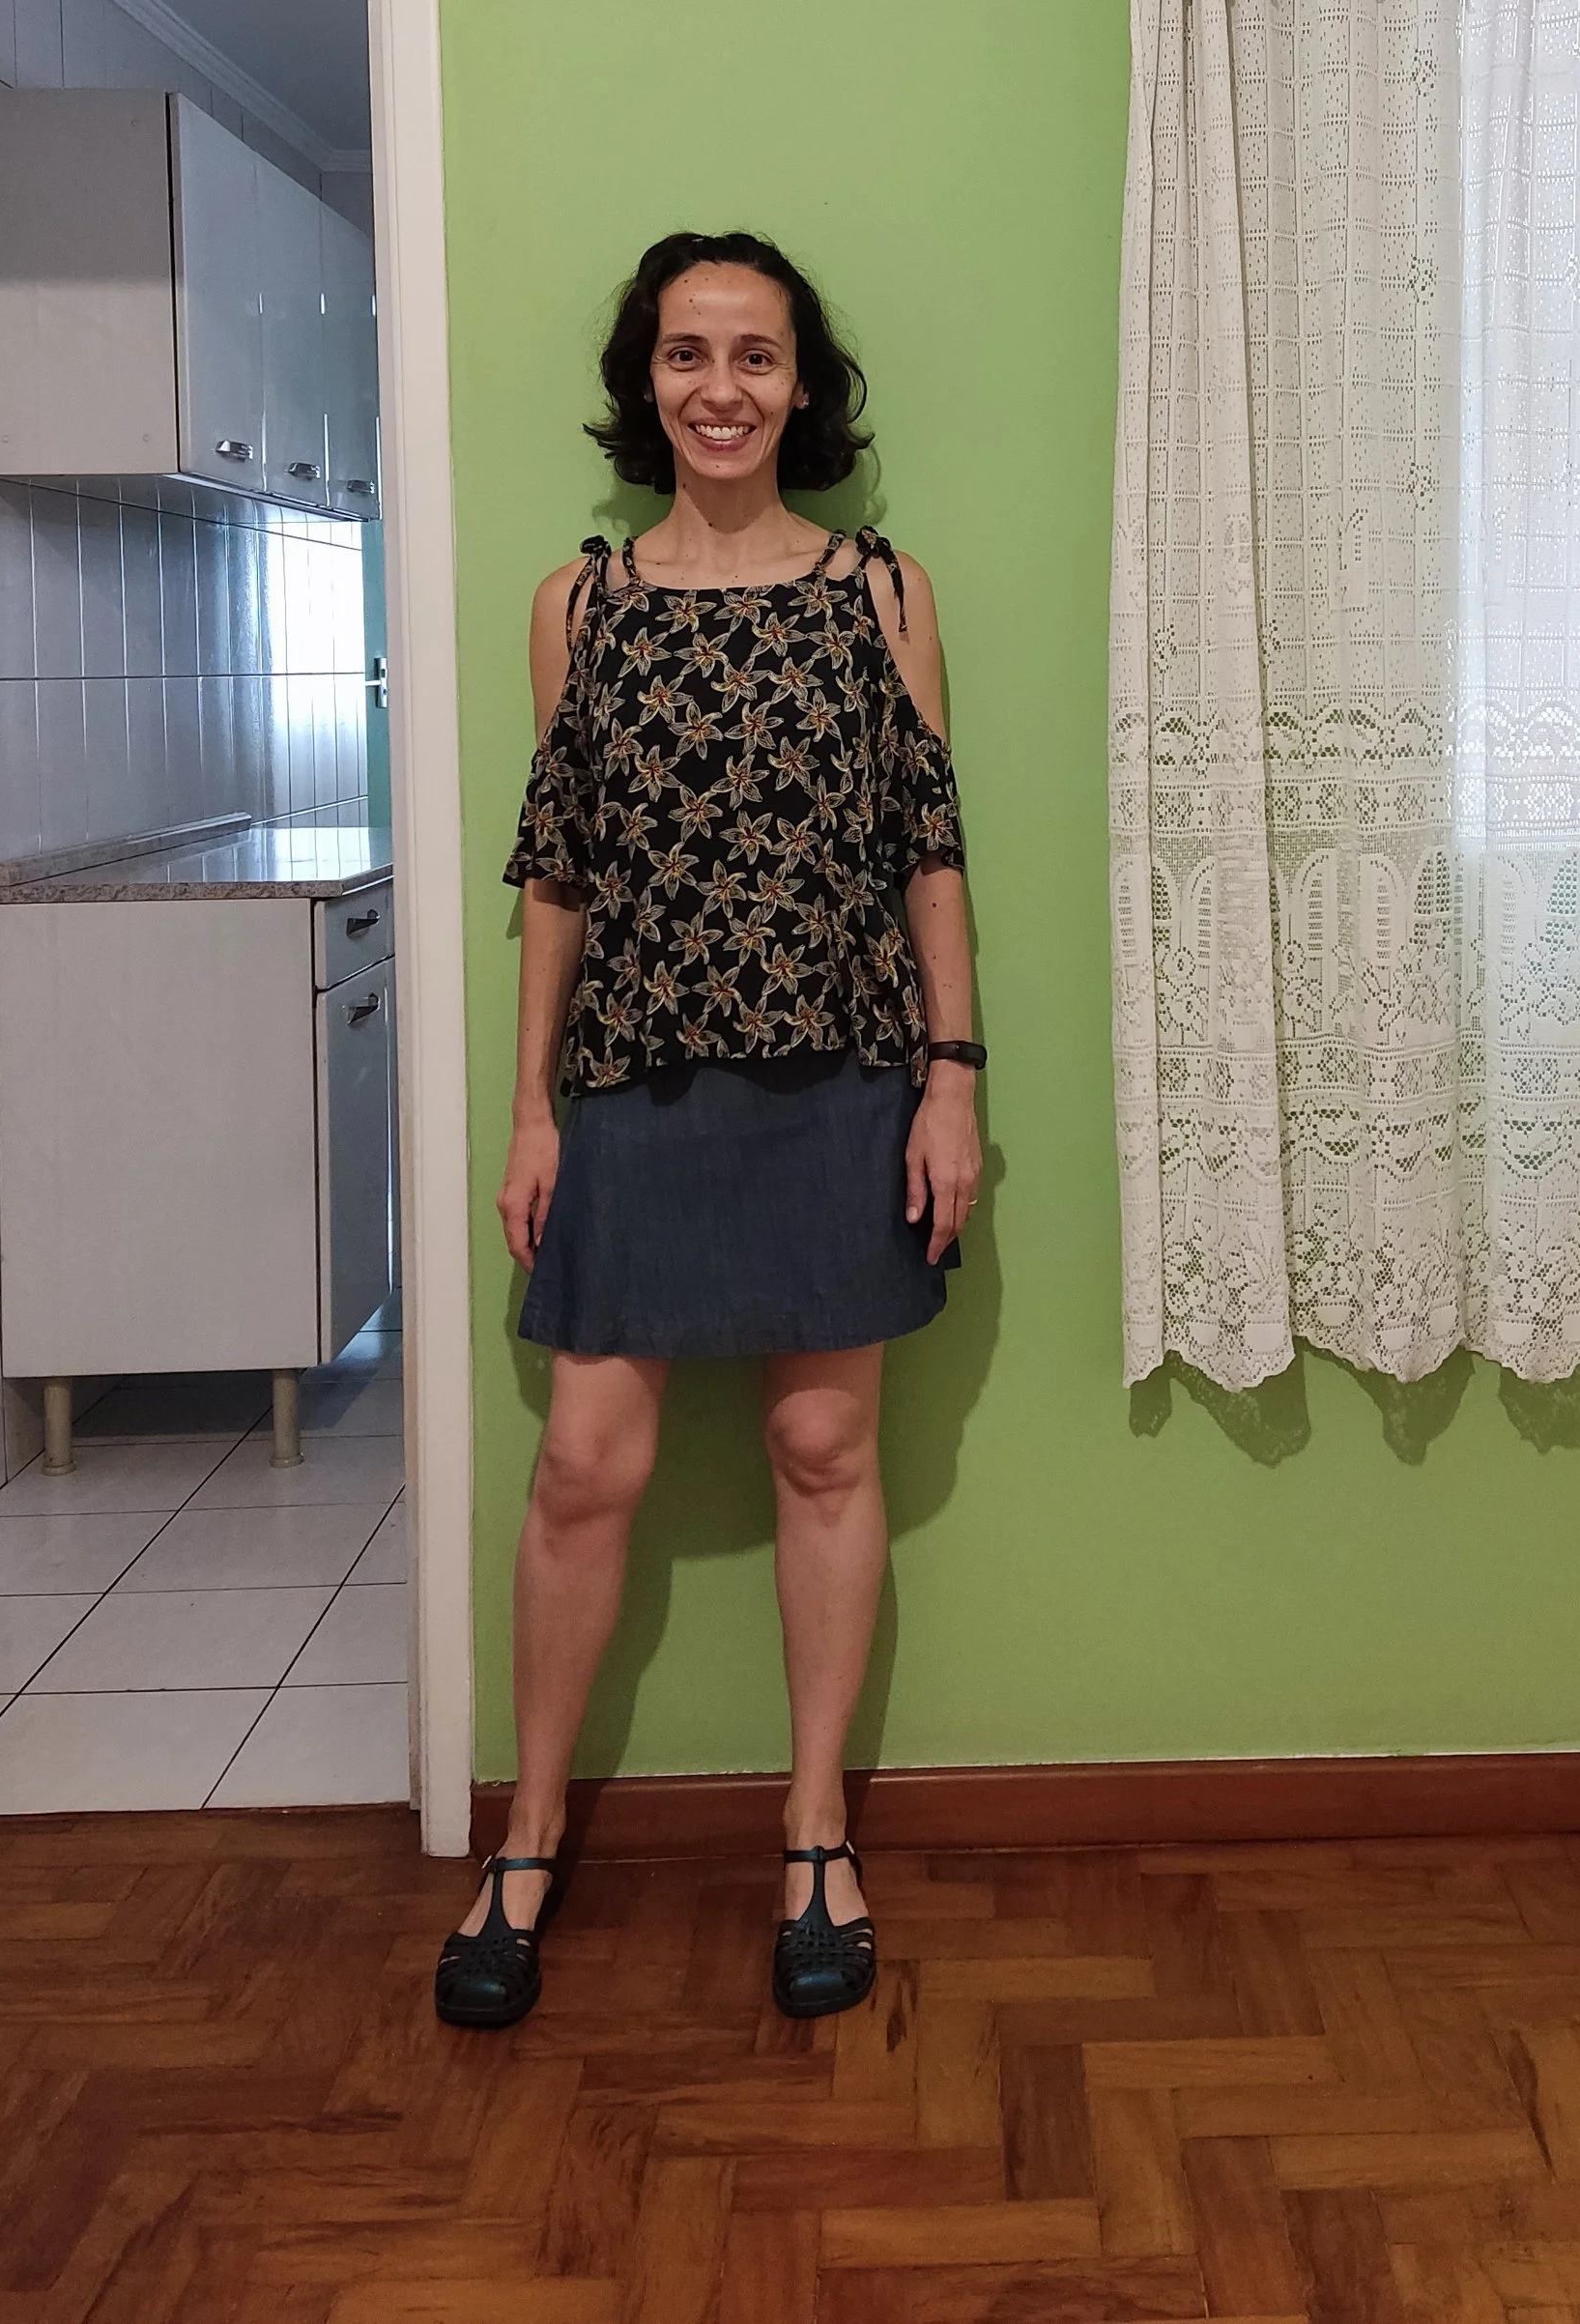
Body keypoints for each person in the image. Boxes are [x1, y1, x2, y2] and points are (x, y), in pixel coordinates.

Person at [434, 229, 981, 2031]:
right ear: (645, 377)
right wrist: (530, 1113)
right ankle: (525, 1837)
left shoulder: (882, 594)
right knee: (585, 1462)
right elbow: (561, 878)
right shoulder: (577, 604)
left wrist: (956, 1077)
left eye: (756, 355)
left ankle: (815, 1829)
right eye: (689, 352)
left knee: (826, 1449)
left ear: (802, 386)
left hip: (843, 1080)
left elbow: (928, 854)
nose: (722, 387)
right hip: (637, 1089)